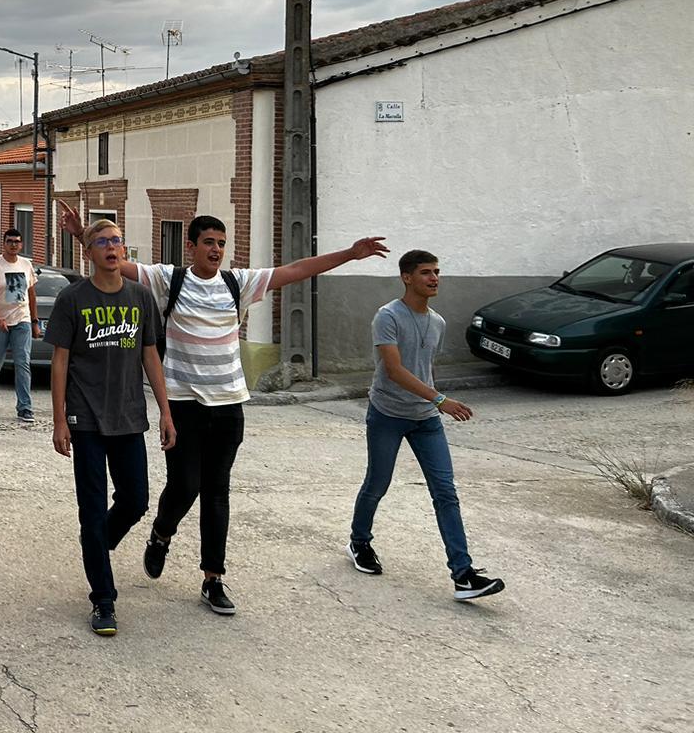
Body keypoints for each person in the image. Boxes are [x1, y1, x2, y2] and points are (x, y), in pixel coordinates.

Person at [58, 203, 385, 617]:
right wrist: (80, 234)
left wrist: (348, 254)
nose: (216, 250)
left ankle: (213, 578)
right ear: (191, 246)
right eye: (209, 243)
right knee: (185, 486)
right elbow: (111, 261)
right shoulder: (167, 280)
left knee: (217, 492)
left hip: (229, 404)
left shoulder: (238, 283)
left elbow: (295, 270)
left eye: (222, 244)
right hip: (183, 404)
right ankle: (161, 533)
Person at [347, 251, 505, 601]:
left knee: (445, 492)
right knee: (377, 483)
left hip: (426, 419)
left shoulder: (438, 322)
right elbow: (395, 370)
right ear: (406, 277)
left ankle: (463, 575)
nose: (434, 278)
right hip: (387, 413)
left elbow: (425, 368)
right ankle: (359, 541)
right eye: (425, 273)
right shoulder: (387, 316)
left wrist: (432, 404)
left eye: (437, 272)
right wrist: (440, 400)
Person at [47, 219, 173, 637]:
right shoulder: (72, 299)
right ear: (88, 253)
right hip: (86, 419)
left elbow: (151, 356)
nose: (111, 247)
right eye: (101, 242)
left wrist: (166, 413)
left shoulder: (140, 297)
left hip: (129, 416)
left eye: (116, 240)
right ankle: (103, 599)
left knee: (136, 500)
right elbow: (61, 360)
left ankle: (98, 542)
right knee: (91, 507)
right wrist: (59, 419)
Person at [0, 228, 40, 424]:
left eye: (17, 241)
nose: (13, 245)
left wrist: (35, 322)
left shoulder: (26, 264)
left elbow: (31, 295)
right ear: (3, 244)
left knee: (23, 362)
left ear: (21, 244)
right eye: (10, 241)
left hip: (21, 320)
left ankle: (25, 408)